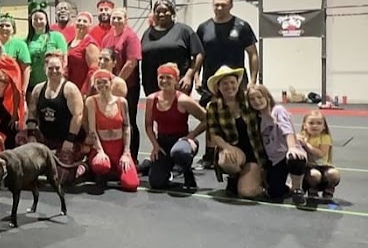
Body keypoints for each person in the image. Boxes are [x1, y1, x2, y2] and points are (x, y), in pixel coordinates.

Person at [195, 0, 259, 166]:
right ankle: (209, 156)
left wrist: (253, 80)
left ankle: (244, 151)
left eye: (223, 5)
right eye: (216, 4)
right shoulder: (203, 28)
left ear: (231, 5)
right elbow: (199, 55)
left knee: (239, 115)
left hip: (236, 82)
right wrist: (196, 76)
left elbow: (252, 54)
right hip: (211, 81)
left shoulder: (242, 26)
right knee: (211, 116)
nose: (219, 8)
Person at [144, 63, 207, 191]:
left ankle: (187, 173)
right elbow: (148, 125)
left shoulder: (183, 100)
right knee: (156, 183)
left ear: (176, 80)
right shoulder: (151, 99)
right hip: (162, 143)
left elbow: (207, 119)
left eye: (168, 77)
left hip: (181, 141)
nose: (164, 81)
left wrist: (191, 136)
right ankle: (152, 165)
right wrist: (155, 145)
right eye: (161, 77)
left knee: (179, 152)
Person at [204, 66, 265, 198]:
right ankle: (234, 176)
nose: (229, 86)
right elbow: (214, 134)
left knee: (246, 193)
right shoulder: (213, 107)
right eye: (225, 83)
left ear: (238, 83)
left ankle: (256, 178)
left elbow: (266, 108)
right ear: (218, 87)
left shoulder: (248, 100)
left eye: (232, 82)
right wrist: (227, 147)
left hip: (254, 151)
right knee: (226, 161)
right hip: (233, 149)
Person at [247, 84, 306, 200]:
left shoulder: (278, 110)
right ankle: (287, 185)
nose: (257, 101)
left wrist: (292, 147)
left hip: (285, 154)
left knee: (295, 158)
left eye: (259, 97)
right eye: (252, 99)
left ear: (267, 97)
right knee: (275, 193)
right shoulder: (257, 117)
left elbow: (287, 130)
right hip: (274, 159)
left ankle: (297, 188)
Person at [84, 69, 139, 192]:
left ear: (111, 83)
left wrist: (126, 152)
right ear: (94, 85)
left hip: (119, 147)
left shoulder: (122, 102)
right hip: (103, 146)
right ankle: (103, 171)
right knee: (101, 165)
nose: (102, 85)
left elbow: (127, 127)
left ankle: (118, 170)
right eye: (98, 83)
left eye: (105, 82)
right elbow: (92, 129)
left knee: (131, 184)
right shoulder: (91, 101)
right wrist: (100, 151)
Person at [101, 7, 143, 161]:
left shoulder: (131, 37)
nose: (116, 20)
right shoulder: (107, 38)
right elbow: (103, 60)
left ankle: (132, 157)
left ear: (126, 20)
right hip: (108, 87)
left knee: (128, 121)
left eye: (119, 18)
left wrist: (117, 82)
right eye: (114, 18)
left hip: (128, 87)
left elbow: (131, 63)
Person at [140, 0, 202, 97]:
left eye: (165, 11)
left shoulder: (183, 30)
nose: (161, 14)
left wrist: (189, 76)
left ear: (172, 12)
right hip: (151, 84)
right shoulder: (147, 33)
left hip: (178, 83)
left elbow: (199, 54)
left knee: (177, 106)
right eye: (158, 12)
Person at [298, 110, 340, 203]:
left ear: (324, 126)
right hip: (309, 167)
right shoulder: (302, 137)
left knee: (334, 174)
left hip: (323, 166)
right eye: (311, 123)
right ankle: (312, 190)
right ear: (305, 125)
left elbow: (321, 154)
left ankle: (328, 191)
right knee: (315, 175)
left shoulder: (325, 137)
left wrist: (306, 145)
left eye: (319, 123)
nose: (315, 126)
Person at [24, 5, 68, 92]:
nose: (38, 21)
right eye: (35, 19)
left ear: (46, 20)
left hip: (54, 82)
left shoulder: (57, 36)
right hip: (33, 84)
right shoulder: (26, 41)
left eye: (41, 19)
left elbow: (64, 61)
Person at [65, 11, 100, 93]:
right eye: (79, 20)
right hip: (70, 87)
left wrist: (85, 91)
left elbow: (94, 69)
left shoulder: (90, 44)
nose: (81, 23)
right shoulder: (70, 42)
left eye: (85, 21)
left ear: (90, 25)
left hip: (82, 88)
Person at [0, 15, 31, 92]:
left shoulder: (20, 44)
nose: (4, 28)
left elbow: (26, 69)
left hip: (13, 87)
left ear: (13, 29)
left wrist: (23, 89)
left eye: (7, 26)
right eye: (1, 25)